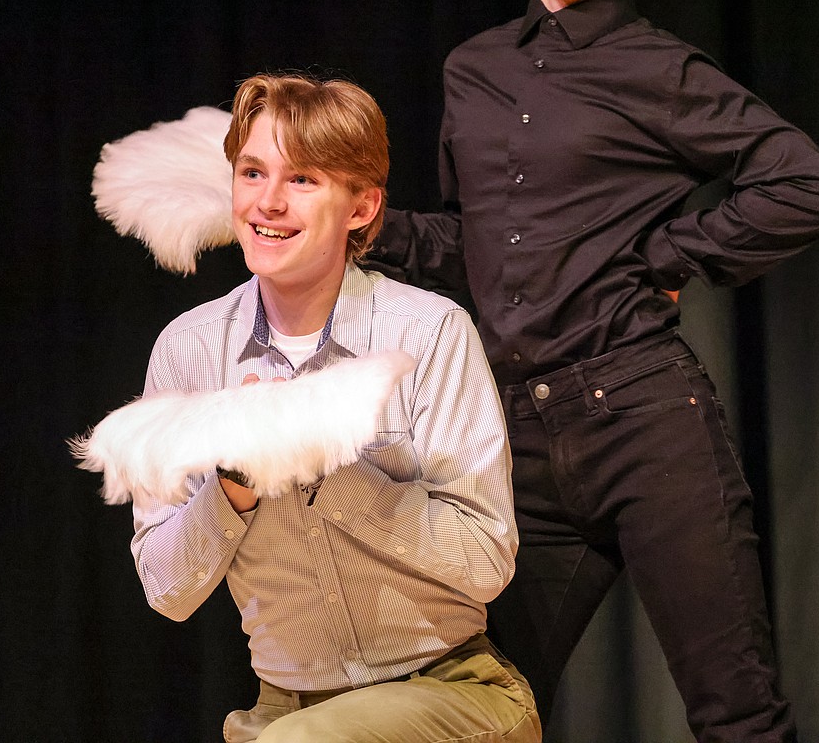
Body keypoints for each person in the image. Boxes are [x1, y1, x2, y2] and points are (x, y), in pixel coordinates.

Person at [369, 0, 819, 742]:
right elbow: (474, 245)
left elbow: (808, 185)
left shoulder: (659, 70)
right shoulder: (472, 67)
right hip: (517, 441)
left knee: (737, 715)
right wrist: (356, 229)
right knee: (467, 711)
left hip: (644, 424)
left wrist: (668, 255)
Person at [128, 71, 541, 743]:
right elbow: (166, 589)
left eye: (302, 180)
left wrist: (328, 469)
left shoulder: (428, 332)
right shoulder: (188, 352)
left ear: (360, 208)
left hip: (451, 692)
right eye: (253, 172)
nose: (267, 202)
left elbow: (486, 561)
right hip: (284, 711)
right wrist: (232, 488)